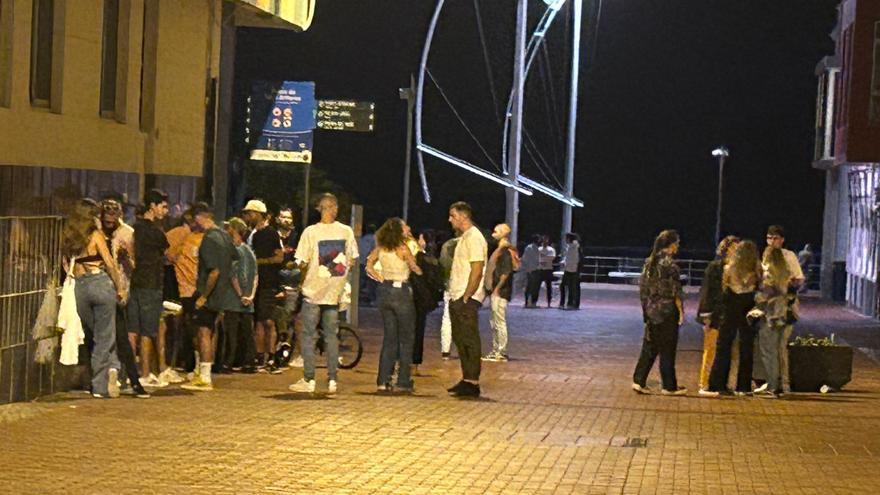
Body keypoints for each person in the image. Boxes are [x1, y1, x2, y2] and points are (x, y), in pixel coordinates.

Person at [288, 193, 358, 394]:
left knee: (308, 335)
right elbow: (352, 261)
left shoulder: (311, 232)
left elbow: (301, 261)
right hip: (333, 293)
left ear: (319, 208)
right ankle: (332, 379)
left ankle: (309, 378)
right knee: (331, 336)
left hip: (313, 291)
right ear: (335, 208)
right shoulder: (346, 231)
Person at [62, 199, 126, 398]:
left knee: (92, 334)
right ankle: (101, 382)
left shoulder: (68, 237)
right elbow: (109, 262)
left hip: (80, 287)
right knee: (104, 336)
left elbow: (65, 265)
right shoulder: (95, 235)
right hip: (99, 282)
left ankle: (110, 369)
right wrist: (120, 288)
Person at [181, 203, 239, 391]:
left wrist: (203, 296)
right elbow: (233, 260)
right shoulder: (224, 235)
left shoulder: (210, 239)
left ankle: (204, 377)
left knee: (203, 332)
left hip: (210, 292)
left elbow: (214, 271)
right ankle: (204, 372)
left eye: (193, 220)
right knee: (210, 331)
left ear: (199, 217)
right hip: (222, 293)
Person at [99, 198, 150, 398]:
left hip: (119, 290)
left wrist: (125, 258)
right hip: (99, 288)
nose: (109, 219)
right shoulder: (96, 233)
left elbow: (136, 265)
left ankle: (134, 380)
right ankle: (102, 379)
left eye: (113, 215)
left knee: (121, 336)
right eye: (106, 215)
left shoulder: (127, 234)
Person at [366, 218, 423, 392]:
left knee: (390, 338)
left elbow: (368, 265)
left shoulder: (381, 248)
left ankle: (382, 380)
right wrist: (420, 250)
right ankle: (403, 380)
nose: (408, 228)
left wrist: (380, 277)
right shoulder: (403, 249)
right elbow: (416, 269)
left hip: (384, 292)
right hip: (402, 292)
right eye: (405, 226)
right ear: (399, 231)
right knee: (406, 338)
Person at [632, 230, 686, 396]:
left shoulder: (649, 263)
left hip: (651, 309)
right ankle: (669, 385)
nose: (677, 247)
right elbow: (675, 291)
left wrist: (645, 310)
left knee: (650, 345)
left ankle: (639, 380)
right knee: (668, 348)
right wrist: (681, 311)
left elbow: (643, 289)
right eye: (676, 244)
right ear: (670, 245)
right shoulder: (670, 265)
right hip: (667, 310)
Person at [752, 225, 805, 395]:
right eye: (769, 238)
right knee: (773, 348)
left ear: (782, 240)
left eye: (775, 238)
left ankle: (779, 384)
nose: (772, 241)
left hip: (780, 309)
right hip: (776, 309)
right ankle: (775, 382)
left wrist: (781, 287)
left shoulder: (789, 256)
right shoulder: (765, 257)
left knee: (777, 348)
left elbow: (798, 280)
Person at [704, 240, 760, 397]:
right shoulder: (756, 269)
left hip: (730, 306)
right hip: (748, 307)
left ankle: (717, 383)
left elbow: (724, 287)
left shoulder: (729, 268)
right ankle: (744, 386)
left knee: (724, 345)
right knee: (746, 346)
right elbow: (759, 287)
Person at [445, 201, 488, 398]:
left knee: (469, 338)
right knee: (460, 338)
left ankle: (473, 381)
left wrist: (467, 295)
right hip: (458, 295)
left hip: (466, 297)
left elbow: (477, 268)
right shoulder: (464, 237)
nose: (450, 220)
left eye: (452, 216)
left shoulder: (474, 238)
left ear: (463, 216)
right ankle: (466, 378)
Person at [128, 189, 169, 388]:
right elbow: (165, 248)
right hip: (151, 284)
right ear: (152, 206)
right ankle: (144, 372)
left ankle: (128, 372)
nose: (166, 211)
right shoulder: (154, 231)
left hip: (135, 282)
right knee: (147, 330)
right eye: (163, 206)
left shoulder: (134, 228)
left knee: (132, 329)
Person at [242, 199, 284, 374]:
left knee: (268, 320)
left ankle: (272, 356)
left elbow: (279, 257)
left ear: (259, 214)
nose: (248, 216)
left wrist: (259, 262)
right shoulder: (251, 234)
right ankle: (260, 356)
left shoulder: (271, 234)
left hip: (268, 282)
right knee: (259, 320)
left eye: (250, 213)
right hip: (255, 284)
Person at [695, 235, 739, 395]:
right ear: (725, 249)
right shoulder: (714, 267)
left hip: (729, 315)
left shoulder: (736, 268)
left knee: (726, 351)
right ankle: (704, 383)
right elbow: (707, 292)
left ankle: (721, 383)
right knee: (710, 350)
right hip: (714, 315)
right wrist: (706, 315)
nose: (736, 251)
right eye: (733, 248)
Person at [223, 217, 258, 374]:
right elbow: (256, 275)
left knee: (231, 333)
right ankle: (249, 362)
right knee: (247, 333)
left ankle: (228, 362)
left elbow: (233, 275)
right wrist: (250, 295)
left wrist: (240, 295)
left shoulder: (233, 250)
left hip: (233, 299)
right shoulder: (249, 251)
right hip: (248, 299)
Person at [410, 230, 443, 372]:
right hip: (426, 298)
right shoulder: (434, 259)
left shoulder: (419, 258)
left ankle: (409, 362)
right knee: (419, 330)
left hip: (416, 297)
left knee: (411, 330)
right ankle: (416, 363)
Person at [482, 223, 515, 362]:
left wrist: (496, 289)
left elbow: (505, 273)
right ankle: (496, 350)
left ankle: (501, 351)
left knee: (499, 321)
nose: (493, 234)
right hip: (496, 291)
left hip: (500, 292)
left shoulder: (505, 252)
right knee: (494, 321)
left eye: (496, 232)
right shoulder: (500, 250)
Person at [438, 231, 460, 359]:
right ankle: (464, 349)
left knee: (447, 317)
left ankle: (445, 349)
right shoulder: (467, 244)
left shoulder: (447, 245)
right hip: (462, 285)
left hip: (449, 284)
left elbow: (443, 265)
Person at [558, 233, 581, 310]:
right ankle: (567, 303)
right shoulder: (570, 247)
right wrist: (564, 262)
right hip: (569, 269)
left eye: (566, 238)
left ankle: (570, 303)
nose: (565, 240)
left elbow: (576, 258)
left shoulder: (575, 247)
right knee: (566, 286)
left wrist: (567, 263)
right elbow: (568, 257)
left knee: (571, 287)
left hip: (573, 270)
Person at [358, 224, 377, 306]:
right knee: (372, 283)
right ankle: (372, 299)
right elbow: (374, 251)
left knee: (361, 282)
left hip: (361, 262)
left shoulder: (362, 238)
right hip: (370, 264)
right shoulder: (375, 239)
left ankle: (357, 298)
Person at [536, 236, 556, 308]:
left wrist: (543, 258)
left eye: (546, 241)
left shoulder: (551, 249)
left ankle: (549, 302)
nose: (545, 242)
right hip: (540, 269)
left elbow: (551, 258)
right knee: (536, 286)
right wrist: (544, 259)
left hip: (548, 269)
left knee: (549, 287)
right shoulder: (539, 249)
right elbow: (537, 258)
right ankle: (534, 301)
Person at [521, 235, 540, 308]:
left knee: (535, 287)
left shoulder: (537, 248)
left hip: (536, 269)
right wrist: (527, 269)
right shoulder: (529, 248)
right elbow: (525, 259)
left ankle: (532, 302)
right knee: (530, 286)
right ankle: (527, 302)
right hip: (531, 270)